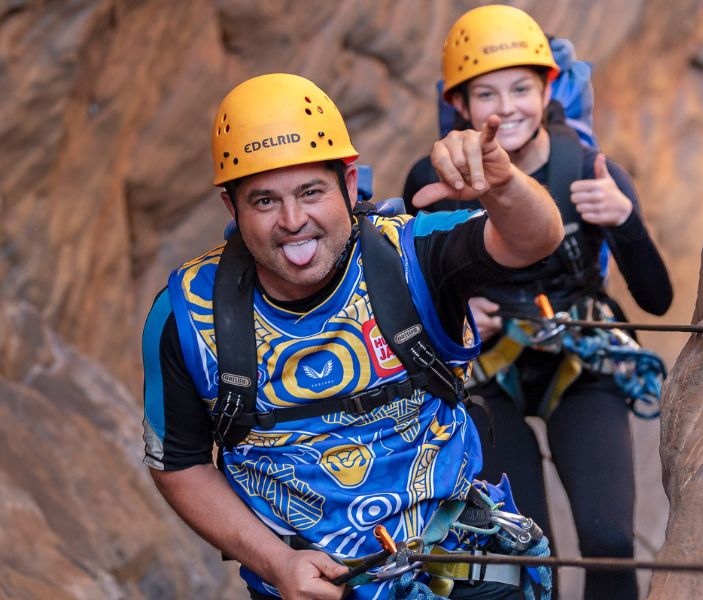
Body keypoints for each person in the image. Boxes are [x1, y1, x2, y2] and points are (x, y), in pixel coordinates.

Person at [141, 73, 564, 600]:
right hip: (311, 585)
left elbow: (534, 241)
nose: (293, 220)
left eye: (311, 192)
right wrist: (277, 563)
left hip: (459, 563)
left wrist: (503, 187)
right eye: (264, 201)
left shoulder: (414, 255)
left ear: (347, 182)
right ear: (233, 208)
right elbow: (179, 464)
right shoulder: (186, 315)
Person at [402, 6, 673, 599]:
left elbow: (657, 300)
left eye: (521, 88)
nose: (505, 109)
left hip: (580, 362)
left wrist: (625, 222)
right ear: (460, 104)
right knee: (525, 553)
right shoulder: (432, 183)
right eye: (486, 93)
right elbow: (413, 291)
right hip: (485, 375)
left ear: (548, 90)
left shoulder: (593, 172)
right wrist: (455, 315)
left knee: (608, 543)